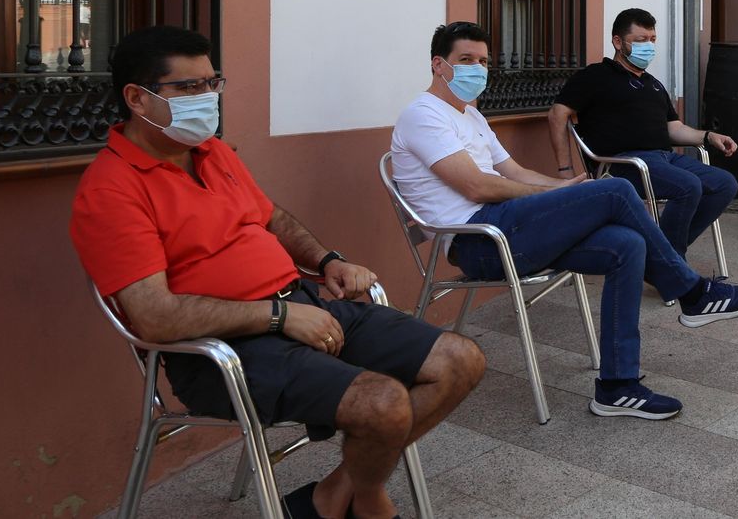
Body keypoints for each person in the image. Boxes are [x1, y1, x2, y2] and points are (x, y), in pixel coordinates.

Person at [70, 26, 485, 519]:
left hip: (303, 307)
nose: (208, 96)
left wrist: (328, 261)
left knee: (460, 360)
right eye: (189, 87)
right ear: (138, 98)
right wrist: (278, 317)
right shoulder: (110, 191)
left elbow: (271, 218)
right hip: (221, 353)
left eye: (212, 82)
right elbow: (155, 317)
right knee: (382, 404)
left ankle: (333, 496)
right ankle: (369, 502)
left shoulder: (212, 153)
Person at [391, 22, 738, 421]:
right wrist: (554, 196)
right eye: (466, 60)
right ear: (439, 65)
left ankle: (617, 387)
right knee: (616, 190)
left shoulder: (472, 116)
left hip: (510, 229)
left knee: (627, 245)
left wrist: (564, 187)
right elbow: (477, 186)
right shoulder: (423, 115)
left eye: (483, 61)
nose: (477, 69)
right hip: (479, 241)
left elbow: (514, 171)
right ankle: (693, 294)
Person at [548, 8, 738, 262]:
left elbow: (674, 128)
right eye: (640, 40)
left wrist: (709, 136)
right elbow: (557, 114)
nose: (648, 46)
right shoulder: (594, 76)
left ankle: (662, 254)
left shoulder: (653, 84)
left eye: (652, 40)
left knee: (725, 184)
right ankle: (668, 262)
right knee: (688, 186)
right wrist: (565, 170)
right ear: (618, 42)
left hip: (664, 159)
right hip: (624, 163)